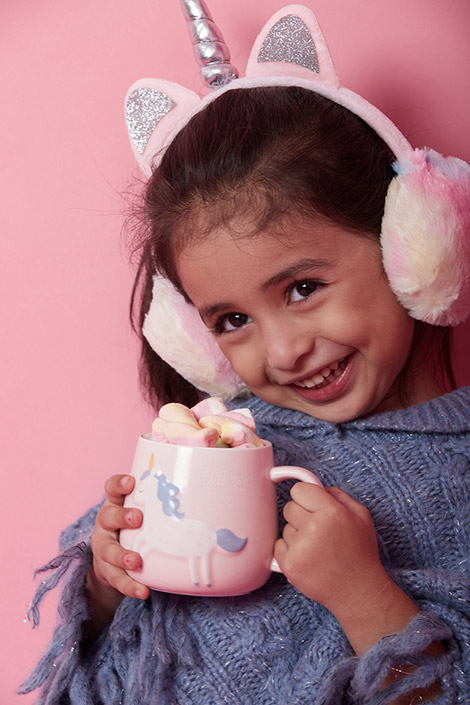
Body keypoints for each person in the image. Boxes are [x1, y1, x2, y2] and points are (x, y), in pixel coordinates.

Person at [20, 4, 470, 704]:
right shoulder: (225, 444)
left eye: (302, 287)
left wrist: (364, 595)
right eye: (231, 319)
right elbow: (113, 654)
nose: (284, 351)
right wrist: (110, 576)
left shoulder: (459, 473)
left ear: (407, 243)